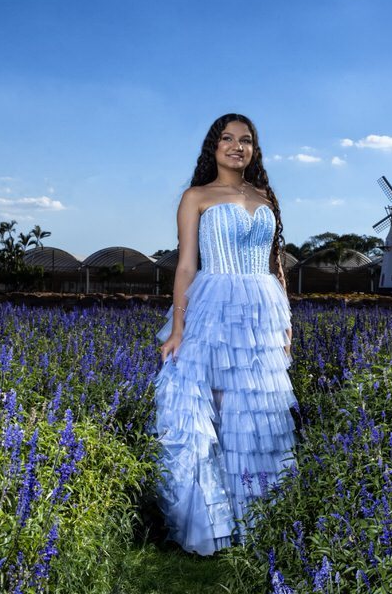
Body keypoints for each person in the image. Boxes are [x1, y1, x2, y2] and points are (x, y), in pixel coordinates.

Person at [150, 113, 297, 556]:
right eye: (228, 139)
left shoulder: (266, 196)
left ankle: (259, 517)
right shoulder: (196, 197)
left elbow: (275, 265)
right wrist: (178, 329)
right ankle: (213, 520)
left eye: (245, 140)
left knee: (255, 412)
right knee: (210, 407)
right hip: (213, 307)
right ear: (213, 147)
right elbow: (186, 266)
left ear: (254, 149)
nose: (237, 146)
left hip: (263, 311)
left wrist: (286, 320)